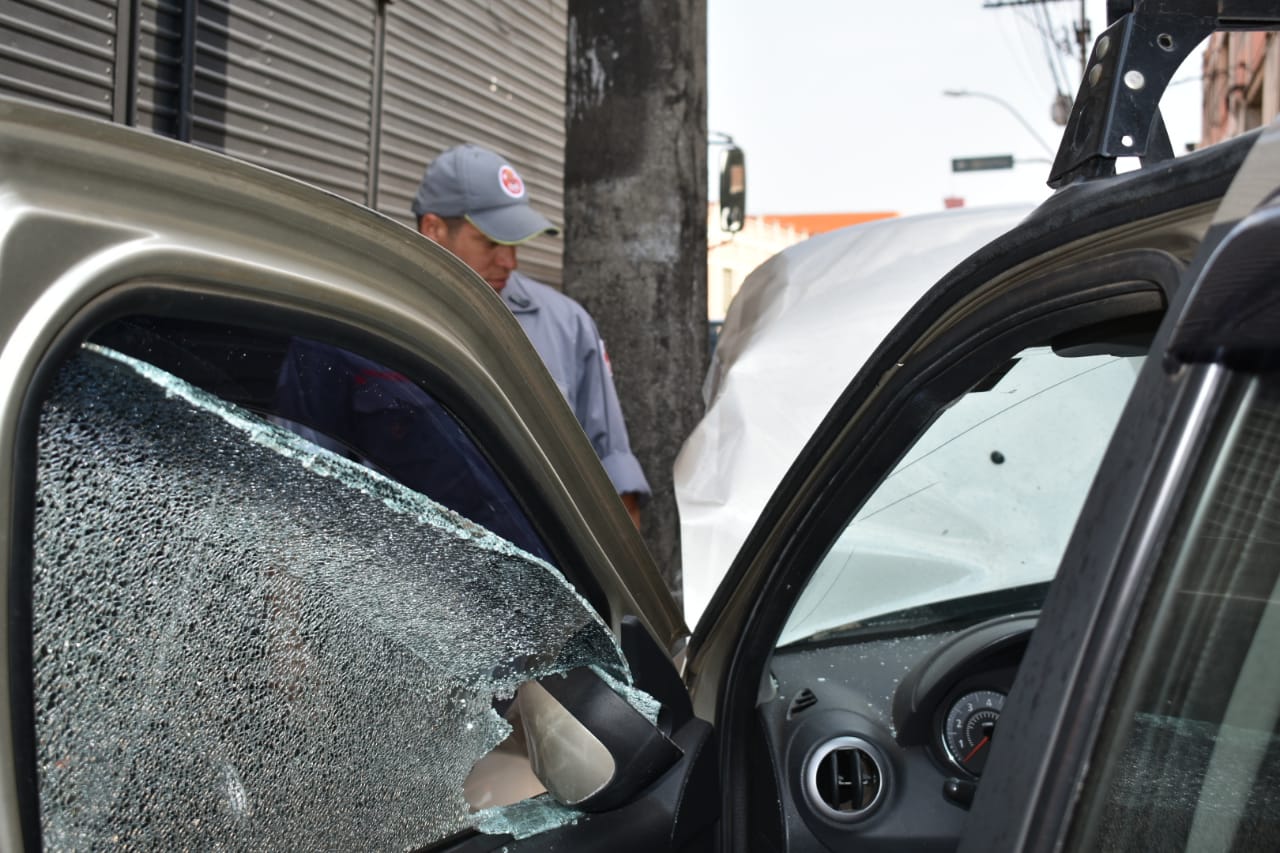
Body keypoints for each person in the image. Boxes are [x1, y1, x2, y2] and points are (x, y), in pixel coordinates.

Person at [411, 143, 649, 527]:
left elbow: (612, 471)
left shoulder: (568, 325)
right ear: (434, 230)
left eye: (515, 243)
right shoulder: (369, 320)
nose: (510, 261)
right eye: (491, 242)